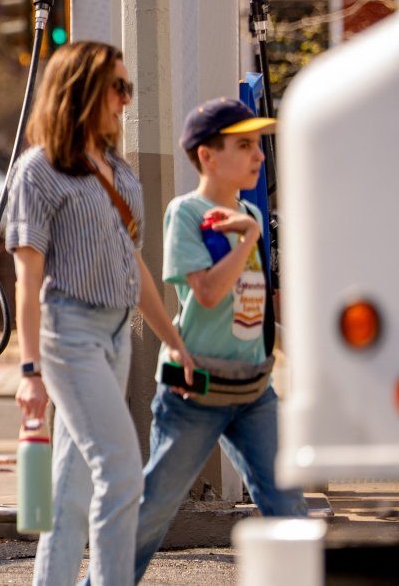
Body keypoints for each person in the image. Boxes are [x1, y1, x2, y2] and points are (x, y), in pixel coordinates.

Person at [6, 41, 193, 586]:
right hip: (70, 334)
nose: (126, 100)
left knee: (70, 488)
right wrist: (29, 370)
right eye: (119, 87)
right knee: (120, 472)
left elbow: (134, 267)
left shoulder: (113, 165)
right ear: (83, 89)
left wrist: (174, 343)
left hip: (116, 334)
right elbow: (28, 279)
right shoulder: (38, 171)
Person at [127, 97, 307, 583]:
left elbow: (256, 300)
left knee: (287, 505)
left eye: (258, 145)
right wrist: (248, 239)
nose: (259, 155)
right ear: (207, 155)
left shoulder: (249, 210)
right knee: (154, 512)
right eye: (244, 145)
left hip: (254, 390)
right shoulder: (185, 213)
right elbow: (205, 293)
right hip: (196, 390)